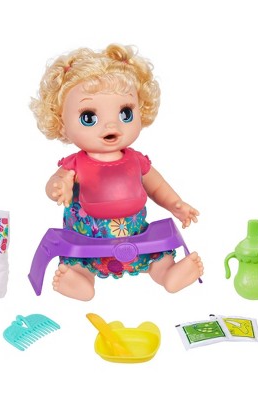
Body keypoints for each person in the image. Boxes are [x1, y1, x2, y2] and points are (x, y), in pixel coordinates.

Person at [30, 44, 203, 301]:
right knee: (77, 262)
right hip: (87, 242)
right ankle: (79, 281)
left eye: (125, 113)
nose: (111, 125)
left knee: (158, 258)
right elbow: (57, 180)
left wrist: (175, 204)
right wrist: (58, 187)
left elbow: (157, 186)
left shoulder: (136, 160)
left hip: (136, 238)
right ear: (61, 123)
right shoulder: (75, 164)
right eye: (89, 117)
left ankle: (168, 274)